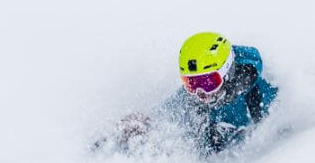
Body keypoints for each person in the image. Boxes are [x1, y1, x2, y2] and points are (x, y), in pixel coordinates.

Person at [113, 32, 278, 154]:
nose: (201, 93)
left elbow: (284, 125)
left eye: (208, 82)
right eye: (191, 83)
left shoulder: (261, 91)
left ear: (228, 72)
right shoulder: (195, 98)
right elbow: (170, 112)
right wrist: (146, 123)